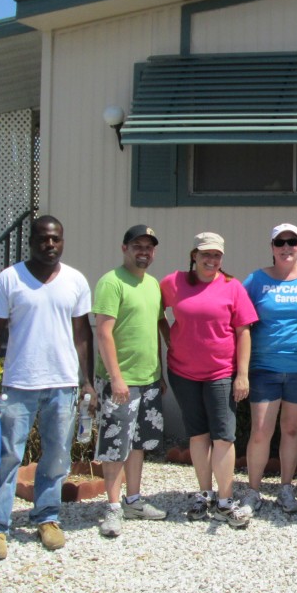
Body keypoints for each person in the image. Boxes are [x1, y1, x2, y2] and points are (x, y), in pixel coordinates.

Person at [0, 215, 93, 561]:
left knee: (57, 456)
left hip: (62, 384)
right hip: (19, 384)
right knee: (8, 457)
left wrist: (87, 381)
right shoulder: (10, 279)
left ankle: (47, 517)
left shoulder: (75, 280)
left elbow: (82, 335)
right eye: (44, 239)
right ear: (31, 241)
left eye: (56, 239)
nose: (50, 245)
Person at [161, 232, 258, 529]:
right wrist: (171, 340)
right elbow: (156, 315)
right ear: (194, 255)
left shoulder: (233, 287)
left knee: (224, 436)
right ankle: (204, 494)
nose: (210, 260)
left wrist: (242, 375)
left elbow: (244, 332)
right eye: (205, 254)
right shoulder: (172, 283)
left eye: (216, 255)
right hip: (183, 372)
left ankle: (225, 500)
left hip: (220, 374)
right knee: (198, 434)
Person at [240, 224, 297, 515]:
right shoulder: (255, 280)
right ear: (272, 247)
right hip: (264, 367)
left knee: (291, 429)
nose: (286, 247)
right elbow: (239, 320)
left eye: (292, 242)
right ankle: (253, 491)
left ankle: (286, 489)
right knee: (260, 431)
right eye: (281, 242)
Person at [93, 224, 167, 538]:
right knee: (114, 446)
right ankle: (112, 508)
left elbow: (154, 330)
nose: (143, 252)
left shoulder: (153, 285)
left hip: (148, 379)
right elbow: (103, 331)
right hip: (120, 382)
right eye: (137, 246)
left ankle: (133, 500)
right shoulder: (111, 282)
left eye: (148, 247)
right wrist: (116, 378)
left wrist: (159, 372)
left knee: (138, 444)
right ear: (125, 248)